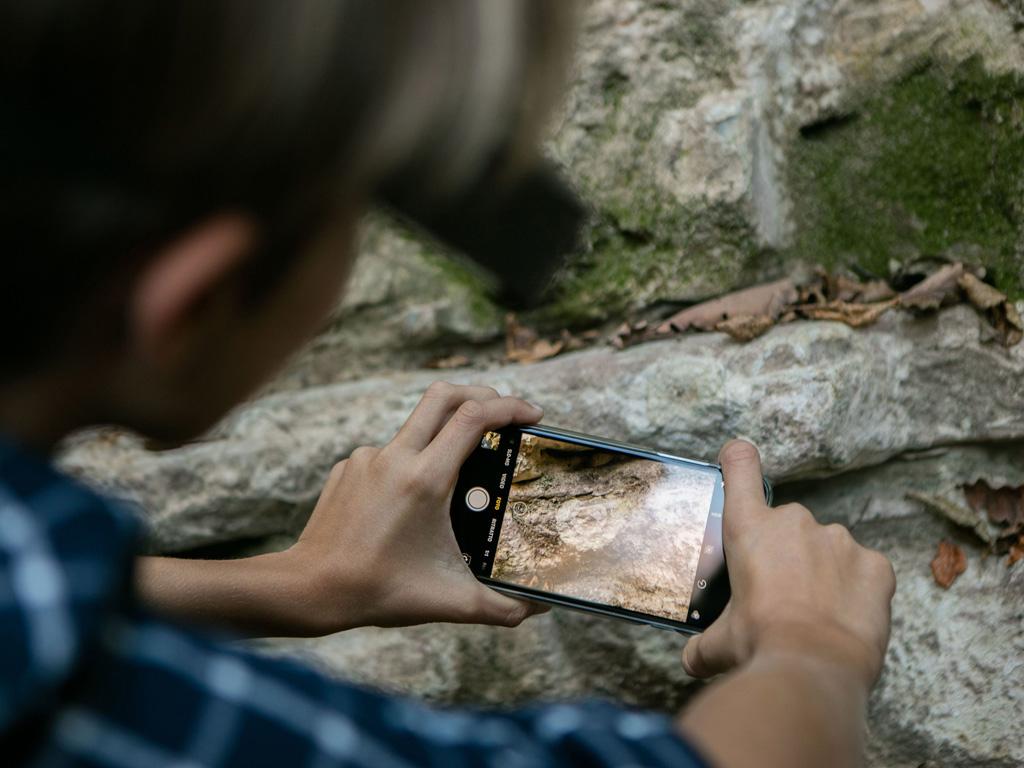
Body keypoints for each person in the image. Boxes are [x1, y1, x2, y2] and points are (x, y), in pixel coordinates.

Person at [0, 2, 896, 766]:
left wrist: (292, 582)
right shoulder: (127, 717)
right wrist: (815, 648)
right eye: (356, 215)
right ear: (196, 308)